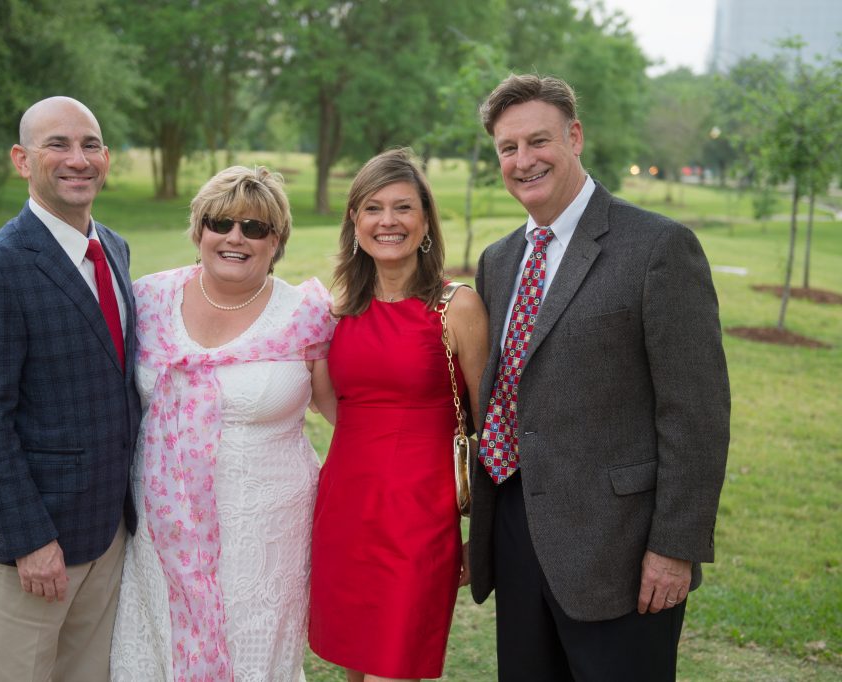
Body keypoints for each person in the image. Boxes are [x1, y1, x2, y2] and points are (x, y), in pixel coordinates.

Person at [470, 73, 731, 681]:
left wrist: (674, 548)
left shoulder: (658, 248)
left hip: (620, 546)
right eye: (508, 148)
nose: (524, 160)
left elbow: (697, 414)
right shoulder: (499, 260)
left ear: (576, 136)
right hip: (517, 527)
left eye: (539, 141)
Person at [109, 165, 336, 681]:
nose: (236, 237)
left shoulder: (307, 315)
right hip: (162, 530)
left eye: (255, 228)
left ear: (275, 241)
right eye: (221, 222)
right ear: (198, 230)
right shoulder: (147, 300)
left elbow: (347, 416)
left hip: (266, 535)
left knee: (253, 656)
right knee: (159, 647)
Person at [0, 96, 140, 681]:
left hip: (106, 533)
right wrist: (30, 541)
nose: (77, 159)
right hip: (32, 546)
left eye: (89, 144)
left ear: (106, 157)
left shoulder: (114, 249)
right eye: (57, 144)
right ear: (22, 160)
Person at [308, 149, 489, 682]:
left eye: (403, 208)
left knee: (397, 661)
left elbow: (494, 431)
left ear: (426, 222)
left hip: (420, 520)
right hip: (346, 510)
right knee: (357, 665)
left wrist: (485, 534)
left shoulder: (457, 307)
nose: (388, 221)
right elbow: (339, 411)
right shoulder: (338, 312)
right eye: (373, 208)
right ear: (355, 222)